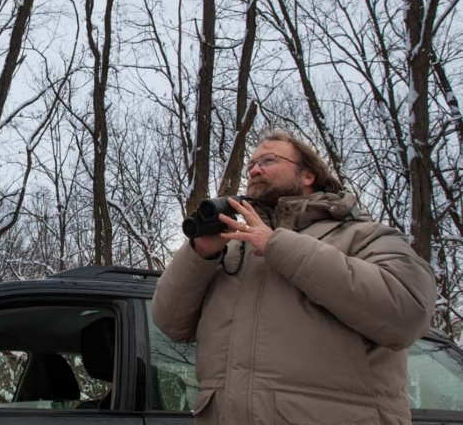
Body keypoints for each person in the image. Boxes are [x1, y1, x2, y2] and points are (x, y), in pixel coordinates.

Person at [152, 131, 436, 425]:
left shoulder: (363, 236)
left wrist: (278, 246)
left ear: (308, 175)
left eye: (268, 160)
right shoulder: (234, 251)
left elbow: (409, 314)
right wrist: (201, 255)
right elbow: (169, 323)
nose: (254, 170)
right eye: (250, 165)